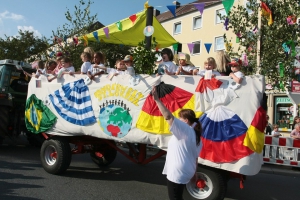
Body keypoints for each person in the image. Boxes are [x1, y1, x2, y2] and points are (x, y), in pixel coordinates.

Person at [151, 86, 202, 200]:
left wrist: (157, 100)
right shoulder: (197, 135)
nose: (178, 120)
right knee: (178, 196)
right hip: (188, 170)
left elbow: (168, 116)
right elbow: (195, 158)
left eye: (180, 118)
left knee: (175, 197)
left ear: (186, 121)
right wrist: (194, 173)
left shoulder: (184, 129)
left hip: (178, 171)